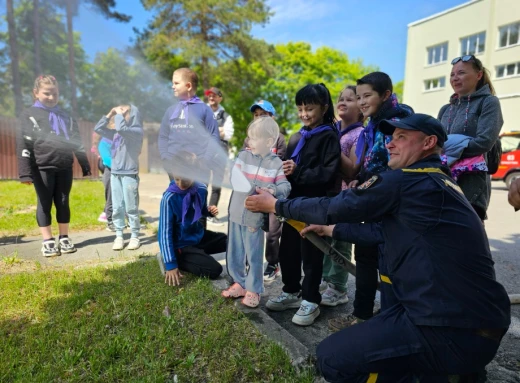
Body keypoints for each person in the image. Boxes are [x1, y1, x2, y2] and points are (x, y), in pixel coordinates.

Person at [245, 113, 511, 382]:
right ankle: (458, 374)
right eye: (391, 137)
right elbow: (381, 231)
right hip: (477, 326)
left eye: (402, 137)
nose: (390, 144)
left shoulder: (407, 180)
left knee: (331, 359)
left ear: (429, 142)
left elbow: (335, 206)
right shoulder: (440, 183)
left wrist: (277, 206)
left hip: (450, 331)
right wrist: (330, 230)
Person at [329, 72, 414, 330]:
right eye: (359, 96)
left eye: (367, 96)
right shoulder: (373, 123)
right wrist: (361, 180)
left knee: (391, 260)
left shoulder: (400, 121)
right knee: (365, 254)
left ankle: (395, 317)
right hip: (374, 196)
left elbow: (395, 164)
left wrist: (371, 182)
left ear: (386, 95)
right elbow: (371, 162)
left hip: (396, 201)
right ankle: (362, 315)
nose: (362, 101)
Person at [265, 83, 341, 326]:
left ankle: (311, 299)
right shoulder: (297, 135)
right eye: (300, 109)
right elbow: (287, 166)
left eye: (309, 108)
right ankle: (291, 291)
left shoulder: (329, 136)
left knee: (311, 254)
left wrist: (298, 170)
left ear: (324, 108)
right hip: (292, 204)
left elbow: (327, 174)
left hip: (315, 205)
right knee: (288, 250)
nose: (304, 114)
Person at [16, 74, 91, 257]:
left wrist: (85, 165)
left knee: (63, 202)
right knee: (45, 203)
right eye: (47, 93)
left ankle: (64, 237)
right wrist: (25, 173)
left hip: (64, 165)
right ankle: (48, 241)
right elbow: (24, 145)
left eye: (55, 94)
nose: (51, 97)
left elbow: (77, 142)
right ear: (36, 93)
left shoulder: (66, 116)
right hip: (41, 167)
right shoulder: (29, 115)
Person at [221, 117, 291, 308]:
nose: (249, 142)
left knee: (253, 254)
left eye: (253, 139)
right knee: (234, 251)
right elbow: (233, 179)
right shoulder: (243, 156)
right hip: (235, 213)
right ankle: (240, 283)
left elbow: (285, 186)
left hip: (254, 219)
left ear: (269, 142)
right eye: (249, 138)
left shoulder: (276, 163)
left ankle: (254, 290)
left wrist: (273, 191)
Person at [438, 55, 503, 221]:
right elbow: (434, 142)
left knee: (468, 240)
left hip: (471, 185)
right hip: (442, 182)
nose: (455, 78)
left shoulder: (488, 102)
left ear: (479, 75)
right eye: (452, 75)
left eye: (461, 73)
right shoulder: (445, 109)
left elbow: (484, 142)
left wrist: (447, 151)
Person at [320, 85, 365, 308]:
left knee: (340, 239)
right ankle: (327, 279)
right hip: (328, 195)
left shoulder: (360, 134)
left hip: (346, 196)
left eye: (350, 99)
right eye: (341, 98)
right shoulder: (332, 129)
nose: (343, 101)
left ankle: (338, 287)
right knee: (325, 237)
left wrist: (332, 148)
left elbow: (353, 170)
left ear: (361, 108)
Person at [157, 151, 226, 286]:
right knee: (214, 270)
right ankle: (175, 258)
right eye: (177, 179)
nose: (181, 184)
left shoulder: (201, 189)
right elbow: (164, 233)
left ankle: (198, 254)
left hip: (197, 236)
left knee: (229, 241)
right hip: (181, 244)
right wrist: (171, 265)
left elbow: (199, 211)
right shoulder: (169, 198)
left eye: (186, 179)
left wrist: (209, 212)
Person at [243, 99, 287, 281]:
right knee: (250, 229)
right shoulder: (248, 139)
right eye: (256, 115)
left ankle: (272, 263)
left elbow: (279, 163)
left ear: (272, 117)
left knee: (272, 233)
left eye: (263, 115)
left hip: (271, 193)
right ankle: (248, 263)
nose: (259, 118)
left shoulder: (280, 138)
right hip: (252, 193)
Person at [94, 104, 143, 251]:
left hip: (129, 174)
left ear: (132, 115)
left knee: (131, 208)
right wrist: (110, 113)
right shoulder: (115, 133)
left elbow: (122, 128)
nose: (120, 113)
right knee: (117, 207)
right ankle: (119, 236)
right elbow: (98, 129)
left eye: (125, 112)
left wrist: (119, 115)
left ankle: (135, 236)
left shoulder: (136, 131)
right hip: (115, 174)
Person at [158, 68, 220, 183]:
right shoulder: (170, 110)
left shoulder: (205, 110)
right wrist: (165, 158)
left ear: (188, 86)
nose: (173, 86)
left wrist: (204, 161)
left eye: (176, 83)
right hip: (175, 168)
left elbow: (214, 137)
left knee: (197, 200)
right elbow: (163, 136)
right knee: (176, 200)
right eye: (173, 83)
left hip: (199, 169)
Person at [205, 87, 234, 225]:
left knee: (217, 185)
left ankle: (211, 214)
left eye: (214, 95)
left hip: (220, 153)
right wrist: (218, 130)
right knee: (201, 183)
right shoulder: (201, 111)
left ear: (220, 98)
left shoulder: (226, 116)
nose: (211, 97)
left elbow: (228, 134)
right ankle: (199, 213)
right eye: (209, 95)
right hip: (203, 152)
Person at [91, 132, 115, 231]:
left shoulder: (115, 140)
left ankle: (112, 217)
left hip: (112, 167)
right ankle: (108, 219)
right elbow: (107, 159)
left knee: (115, 195)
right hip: (108, 167)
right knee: (110, 194)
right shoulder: (104, 142)